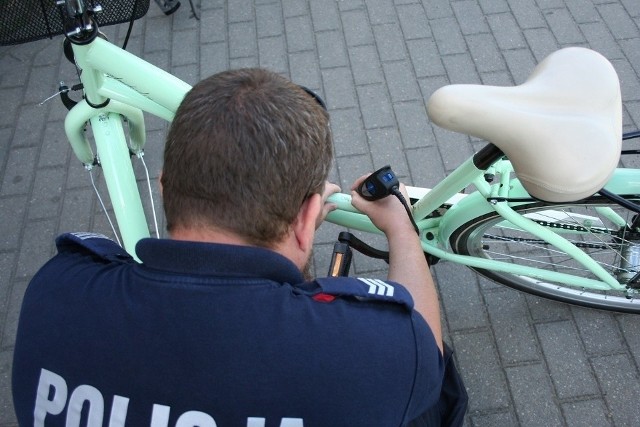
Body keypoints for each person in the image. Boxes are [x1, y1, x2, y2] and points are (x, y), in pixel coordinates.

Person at [13, 68, 465, 426]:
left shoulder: (56, 293)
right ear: (309, 220)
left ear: (166, 189)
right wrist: (400, 229)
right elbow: (423, 345)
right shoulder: (369, 352)